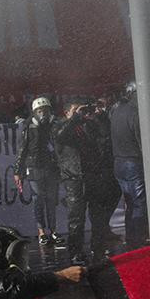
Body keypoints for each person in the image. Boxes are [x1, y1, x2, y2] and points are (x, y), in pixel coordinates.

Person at [54, 98, 121, 264]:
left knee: (98, 216)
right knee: (76, 219)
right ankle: (75, 252)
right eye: (76, 110)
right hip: (74, 178)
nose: (81, 113)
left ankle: (98, 249)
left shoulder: (88, 125)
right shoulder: (60, 126)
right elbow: (61, 137)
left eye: (81, 110)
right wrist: (75, 119)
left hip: (93, 175)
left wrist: (101, 116)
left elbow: (105, 137)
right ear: (67, 112)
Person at [14, 97, 64, 247]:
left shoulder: (55, 125)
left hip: (51, 167)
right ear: (35, 112)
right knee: (38, 199)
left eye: (46, 110)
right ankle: (41, 231)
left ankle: (53, 230)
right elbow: (22, 150)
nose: (43, 114)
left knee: (51, 200)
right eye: (40, 111)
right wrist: (18, 171)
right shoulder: (28, 126)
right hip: (34, 167)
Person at [110, 82, 148, 249]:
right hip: (133, 162)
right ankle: (137, 238)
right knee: (138, 203)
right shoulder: (136, 112)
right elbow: (142, 141)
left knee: (130, 202)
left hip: (119, 161)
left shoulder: (117, 111)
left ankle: (133, 237)